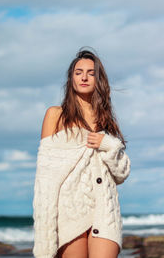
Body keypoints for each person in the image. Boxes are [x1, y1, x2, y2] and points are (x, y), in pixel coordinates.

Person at [32, 47, 131, 258]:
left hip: (105, 211)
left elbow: (121, 174)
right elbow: (46, 179)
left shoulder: (107, 122)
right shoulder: (55, 116)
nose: (84, 77)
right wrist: (45, 236)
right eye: (78, 72)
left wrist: (110, 145)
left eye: (90, 72)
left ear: (99, 79)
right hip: (69, 213)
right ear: (71, 79)